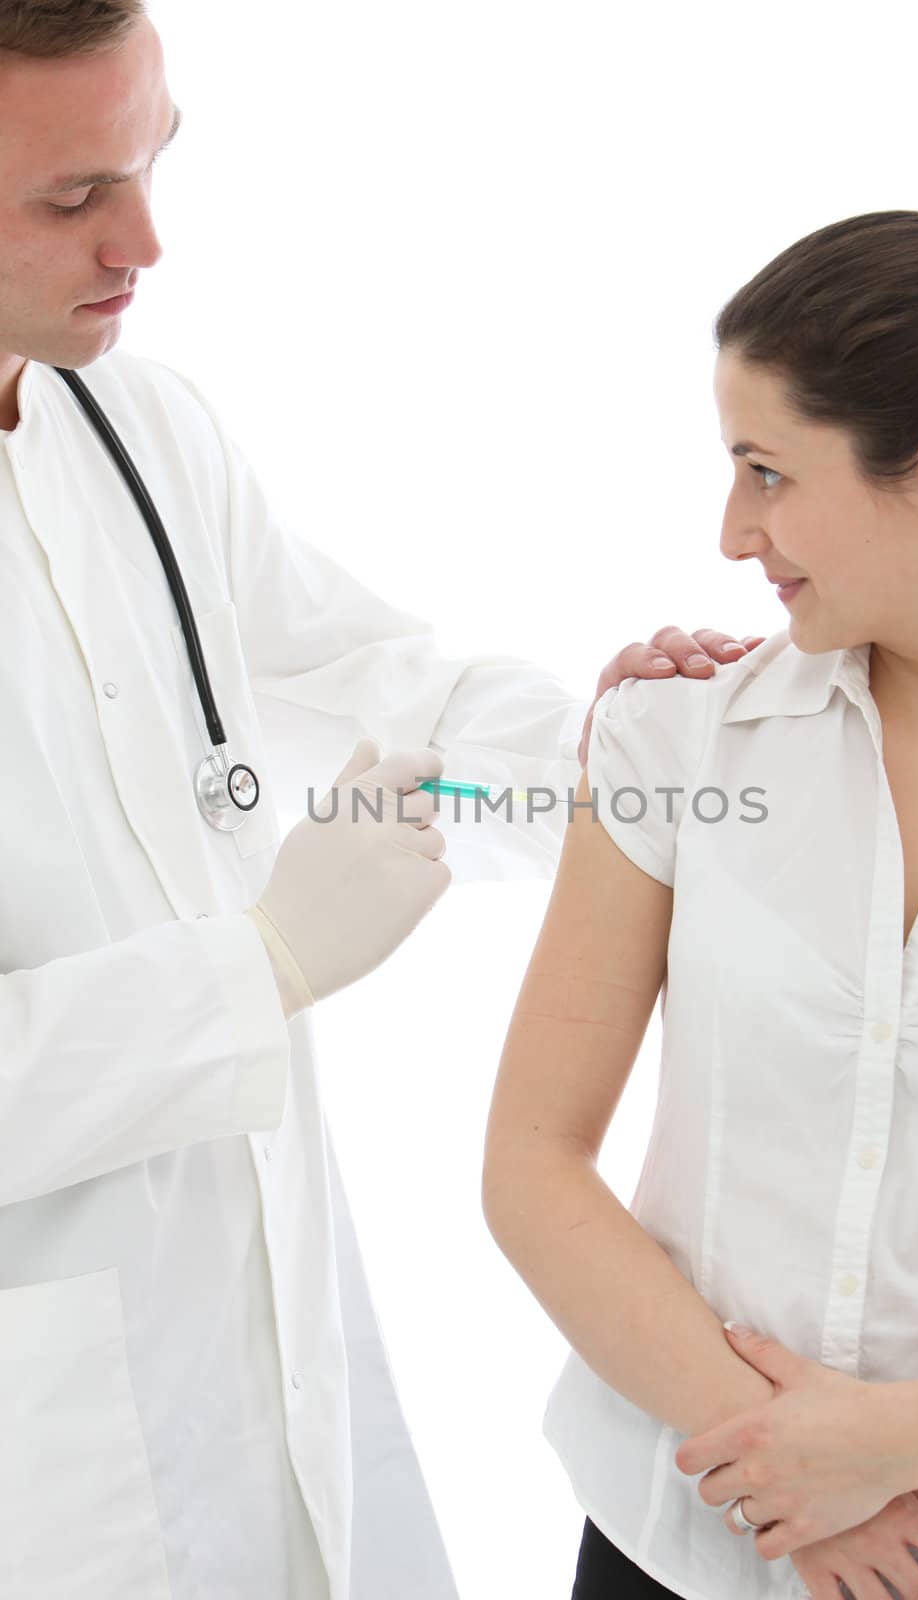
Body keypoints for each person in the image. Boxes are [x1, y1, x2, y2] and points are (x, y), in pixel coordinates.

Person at [0, 5, 759, 1597]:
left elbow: (377, 684)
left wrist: (634, 768)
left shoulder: (133, 422)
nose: (147, 238)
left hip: (265, 1352)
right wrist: (256, 970)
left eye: (154, 162)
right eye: (73, 199)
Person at [484, 200, 918, 1600]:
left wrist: (883, 1448)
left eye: (767, 471)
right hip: (674, 1543)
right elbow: (532, 1164)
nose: (733, 530)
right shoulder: (676, 739)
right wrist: (790, 1483)